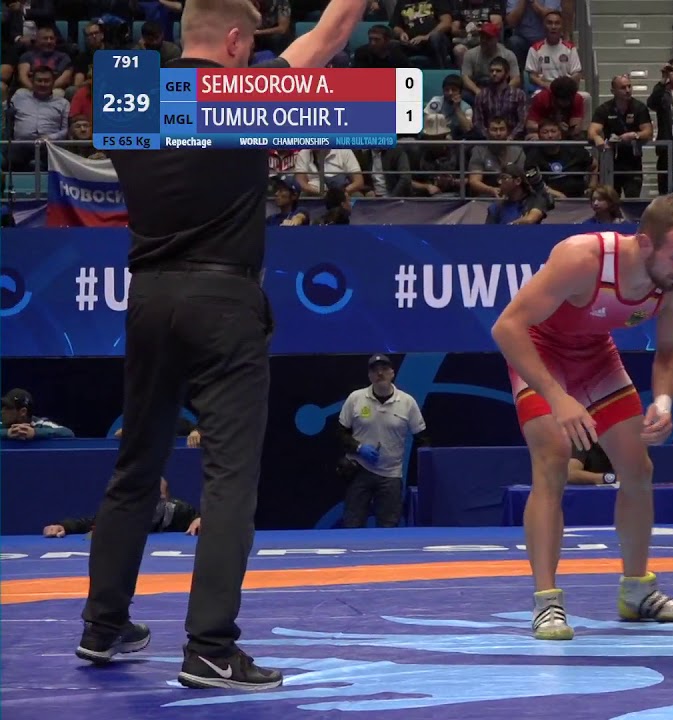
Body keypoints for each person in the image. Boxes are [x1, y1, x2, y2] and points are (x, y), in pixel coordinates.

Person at [74, 0, 367, 692]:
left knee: (135, 467)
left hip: (148, 295)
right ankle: (210, 647)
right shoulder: (246, 99)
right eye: (250, 42)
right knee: (230, 477)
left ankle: (103, 624)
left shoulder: (131, 99)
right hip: (224, 300)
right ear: (236, 41)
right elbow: (332, 31)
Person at [490, 194, 673, 640]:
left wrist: (664, 402)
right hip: (540, 352)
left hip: (594, 356)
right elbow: (507, 327)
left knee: (638, 469)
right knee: (553, 459)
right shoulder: (583, 258)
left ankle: (637, 592)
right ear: (644, 243)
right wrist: (556, 397)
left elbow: (670, 351)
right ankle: (547, 602)